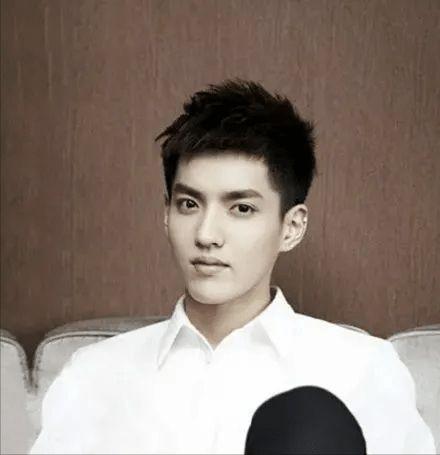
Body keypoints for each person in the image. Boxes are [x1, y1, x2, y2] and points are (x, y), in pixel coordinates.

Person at [29, 79, 435, 454]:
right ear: (166, 214)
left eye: (241, 208)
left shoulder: (362, 369)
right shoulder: (95, 375)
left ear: (292, 227)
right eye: (189, 204)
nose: (206, 234)